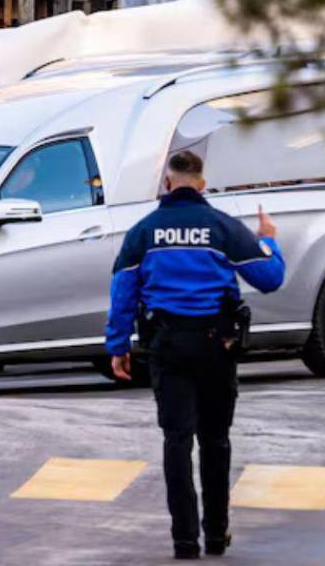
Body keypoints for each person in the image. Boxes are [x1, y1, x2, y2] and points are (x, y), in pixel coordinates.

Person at [105, 151, 285, 560]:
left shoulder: (143, 233)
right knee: (215, 441)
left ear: (167, 184)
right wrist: (269, 237)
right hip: (216, 347)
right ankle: (217, 536)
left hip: (167, 348)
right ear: (202, 185)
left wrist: (117, 347)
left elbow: (121, 295)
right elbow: (271, 278)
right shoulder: (223, 228)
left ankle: (184, 542)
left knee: (176, 441)